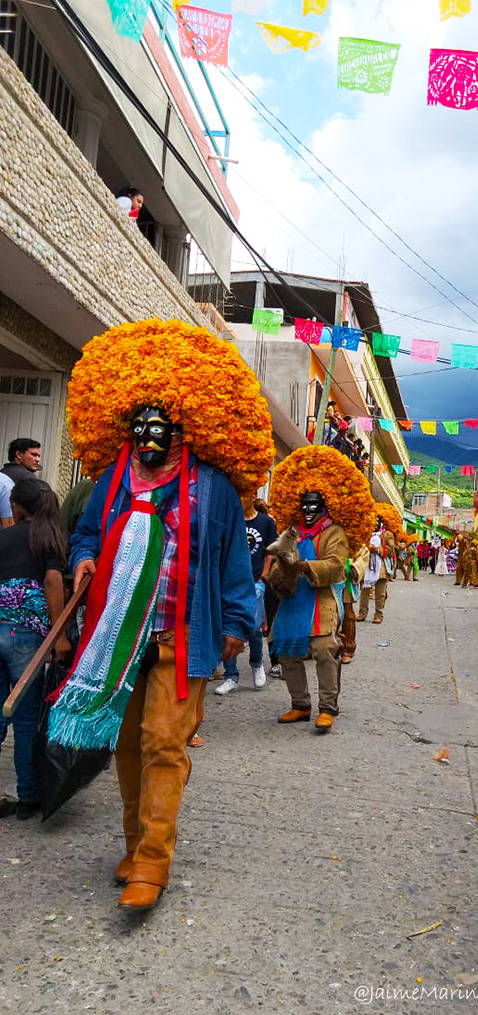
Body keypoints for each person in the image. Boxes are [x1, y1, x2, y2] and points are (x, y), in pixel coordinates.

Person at [62, 319, 271, 911]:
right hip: (119, 639)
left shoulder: (216, 490)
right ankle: (134, 846)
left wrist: (237, 624)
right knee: (127, 744)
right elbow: (85, 536)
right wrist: (83, 561)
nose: (147, 434)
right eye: (138, 423)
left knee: (163, 743)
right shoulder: (111, 482)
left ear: (182, 427)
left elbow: (235, 563)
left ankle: (153, 862)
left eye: (159, 423)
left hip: (186, 636)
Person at [268, 445, 373, 731]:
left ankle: (328, 707)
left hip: (321, 599)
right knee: (285, 649)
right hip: (292, 601)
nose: (308, 511)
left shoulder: (334, 532)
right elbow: (278, 566)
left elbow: (337, 565)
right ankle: (300, 704)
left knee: (325, 647)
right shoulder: (290, 532)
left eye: (314, 506)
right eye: (304, 505)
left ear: (325, 506)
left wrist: (304, 567)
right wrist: (281, 575)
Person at [0, 480, 69, 819]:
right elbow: (53, 582)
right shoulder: (48, 539)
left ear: (15, 507)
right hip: (26, 633)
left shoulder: (4, 536)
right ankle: (28, 797)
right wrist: (59, 635)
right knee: (26, 719)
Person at [215, 494, 276, 696]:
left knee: (254, 627)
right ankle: (231, 675)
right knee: (229, 627)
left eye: (243, 496)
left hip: (255, 582)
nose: (238, 500)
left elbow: (270, 550)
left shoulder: (265, 522)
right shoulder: (230, 520)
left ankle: (257, 663)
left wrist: (264, 575)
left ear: (252, 497)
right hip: (231, 581)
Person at [359, 504, 399, 624]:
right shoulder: (365, 533)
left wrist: (377, 549)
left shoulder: (387, 534)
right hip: (366, 566)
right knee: (364, 592)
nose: (374, 524)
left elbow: (391, 549)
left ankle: (378, 614)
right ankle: (362, 613)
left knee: (380, 593)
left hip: (380, 567)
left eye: (376, 521)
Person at [341, 543, 370, 664]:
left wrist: (353, 569)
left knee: (347, 615)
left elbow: (363, 557)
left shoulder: (355, 539)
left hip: (345, 578)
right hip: (328, 577)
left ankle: (348, 648)